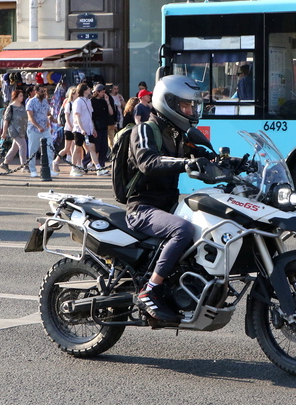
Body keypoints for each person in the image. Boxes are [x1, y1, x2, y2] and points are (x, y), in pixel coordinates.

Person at [126, 75, 211, 322]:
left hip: (168, 206)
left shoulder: (177, 135)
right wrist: (187, 163)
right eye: (185, 106)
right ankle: (150, 289)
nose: (190, 110)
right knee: (183, 230)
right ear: (169, 103)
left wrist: (234, 164)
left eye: (192, 106)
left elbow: (204, 156)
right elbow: (148, 162)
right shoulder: (144, 130)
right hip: (142, 208)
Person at [72, 83, 108, 176]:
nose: (90, 90)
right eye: (88, 88)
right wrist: (82, 128)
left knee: (92, 148)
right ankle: (74, 167)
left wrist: (93, 128)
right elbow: (77, 116)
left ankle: (98, 168)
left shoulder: (88, 101)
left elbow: (89, 116)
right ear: (84, 90)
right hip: (79, 129)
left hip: (89, 129)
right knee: (78, 148)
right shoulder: (78, 101)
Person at [26, 84, 58, 177]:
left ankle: (49, 169)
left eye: (44, 91)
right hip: (34, 130)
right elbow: (30, 117)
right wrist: (38, 126)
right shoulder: (31, 102)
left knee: (50, 148)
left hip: (45, 129)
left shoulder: (45, 101)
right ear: (36, 92)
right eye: (41, 91)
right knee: (33, 150)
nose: (43, 93)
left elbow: (47, 113)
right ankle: (32, 170)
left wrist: (51, 117)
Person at [0, 90, 28, 172]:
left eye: (22, 95)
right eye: (20, 96)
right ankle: (24, 165)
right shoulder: (11, 107)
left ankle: (5, 163)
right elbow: (6, 120)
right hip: (14, 130)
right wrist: (4, 132)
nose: (22, 97)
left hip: (22, 130)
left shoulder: (22, 106)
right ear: (15, 97)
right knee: (23, 145)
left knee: (14, 148)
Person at [52, 87, 77, 173]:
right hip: (69, 128)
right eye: (76, 93)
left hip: (76, 128)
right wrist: (70, 126)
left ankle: (74, 166)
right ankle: (56, 161)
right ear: (73, 94)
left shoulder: (77, 102)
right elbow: (67, 116)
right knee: (67, 148)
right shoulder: (69, 103)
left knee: (75, 148)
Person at [90, 84, 114, 168]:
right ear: (97, 92)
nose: (104, 94)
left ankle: (102, 164)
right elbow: (91, 116)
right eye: (102, 92)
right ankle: (88, 161)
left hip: (104, 125)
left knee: (104, 147)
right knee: (97, 147)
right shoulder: (92, 101)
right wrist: (93, 128)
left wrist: (107, 102)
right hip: (96, 126)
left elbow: (111, 113)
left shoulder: (104, 101)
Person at [108, 84, 125, 149]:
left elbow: (124, 106)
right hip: (113, 118)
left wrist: (121, 99)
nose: (116, 90)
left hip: (120, 117)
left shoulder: (119, 96)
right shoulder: (109, 97)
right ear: (111, 89)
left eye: (117, 89)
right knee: (112, 136)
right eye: (114, 89)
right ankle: (112, 148)